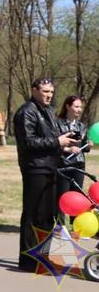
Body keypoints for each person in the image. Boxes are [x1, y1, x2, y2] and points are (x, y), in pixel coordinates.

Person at [13, 77, 79, 272]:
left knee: (47, 216)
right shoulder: (27, 111)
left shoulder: (48, 111)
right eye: (45, 92)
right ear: (35, 91)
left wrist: (65, 146)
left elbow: (51, 140)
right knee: (33, 214)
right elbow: (30, 142)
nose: (49, 95)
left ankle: (44, 257)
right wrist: (57, 142)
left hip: (51, 166)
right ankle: (27, 260)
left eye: (51, 92)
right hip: (35, 169)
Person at [55, 94, 91, 223]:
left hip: (79, 165)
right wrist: (67, 149)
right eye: (76, 106)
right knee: (63, 195)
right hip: (63, 164)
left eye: (80, 107)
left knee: (77, 196)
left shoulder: (81, 126)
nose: (79, 110)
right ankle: (60, 225)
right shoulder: (57, 124)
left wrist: (88, 145)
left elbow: (84, 146)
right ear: (67, 107)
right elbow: (53, 144)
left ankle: (76, 225)